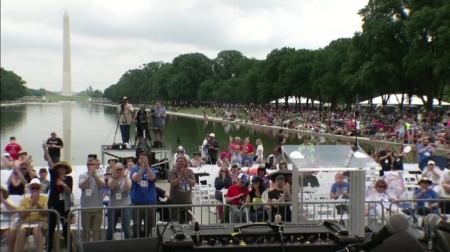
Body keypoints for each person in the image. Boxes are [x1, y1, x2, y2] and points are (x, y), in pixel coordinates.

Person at [42, 144, 73, 252]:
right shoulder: (53, 175)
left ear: (66, 170)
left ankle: (69, 249)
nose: (62, 169)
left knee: (66, 229)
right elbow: (50, 163)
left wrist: (64, 185)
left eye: (64, 168)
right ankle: (49, 250)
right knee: (51, 229)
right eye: (60, 167)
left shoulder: (69, 178)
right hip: (53, 205)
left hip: (64, 206)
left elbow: (69, 191)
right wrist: (46, 151)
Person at [8, 179, 49, 252]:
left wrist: (37, 203)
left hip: (41, 222)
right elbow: (22, 216)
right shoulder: (24, 200)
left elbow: (45, 214)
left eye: (37, 188)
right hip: (26, 223)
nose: (35, 190)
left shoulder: (46, 198)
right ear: (30, 189)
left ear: (40, 189)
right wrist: (31, 205)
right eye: (33, 188)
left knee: (36, 229)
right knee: (21, 229)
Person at [130, 152, 157, 237]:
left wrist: (147, 167)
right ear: (138, 160)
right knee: (137, 223)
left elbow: (152, 178)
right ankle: (136, 239)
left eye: (145, 158)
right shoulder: (134, 170)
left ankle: (147, 238)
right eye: (141, 158)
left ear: (148, 160)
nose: (143, 160)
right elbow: (135, 179)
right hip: (137, 202)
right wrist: (141, 169)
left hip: (149, 202)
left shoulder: (152, 170)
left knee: (149, 223)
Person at [78, 158, 105, 242]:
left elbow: (102, 185)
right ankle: (86, 247)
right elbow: (81, 186)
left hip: (97, 207)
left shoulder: (100, 175)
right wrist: (89, 176)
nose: (90, 166)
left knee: (96, 229)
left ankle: (95, 247)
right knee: (85, 229)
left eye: (92, 164)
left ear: (96, 165)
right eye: (88, 165)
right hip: (86, 207)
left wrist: (95, 175)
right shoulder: (82, 175)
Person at [106, 163, 132, 240]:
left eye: (120, 169)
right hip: (113, 206)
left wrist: (125, 177)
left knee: (127, 229)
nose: (119, 171)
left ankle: (129, 246)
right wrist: (114, 176)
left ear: (123, 170)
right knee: (110, 229)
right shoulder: (111, 178)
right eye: (117, 169)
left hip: (125, 205)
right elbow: (111, 186)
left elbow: (128, 188)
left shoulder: (127, 178)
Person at [167, 156, 196, 224]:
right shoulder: (173, 171)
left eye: (181, 161)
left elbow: (193, 183)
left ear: (186, 163)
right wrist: (180, 176)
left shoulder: (190, 171)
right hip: (175, 202)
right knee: (175, 222)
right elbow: (173, 183)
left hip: (187, 202)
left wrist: (185, 176)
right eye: (178, 162)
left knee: (186, 221)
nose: (179, 163)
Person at [1, 184, 17, 252]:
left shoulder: (9, 201)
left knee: (11, 231)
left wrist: (2, 200)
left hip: (7, 226)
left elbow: (14, 211)